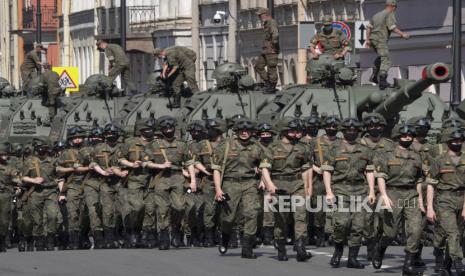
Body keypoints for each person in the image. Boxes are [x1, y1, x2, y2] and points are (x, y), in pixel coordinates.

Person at [322, 117, 376, 269]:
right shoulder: (334, 149)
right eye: (348, 130)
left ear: (358, 132)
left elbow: (370, 171)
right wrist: (329, 192)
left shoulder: (365, 150)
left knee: (358, 226)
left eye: (354, 130)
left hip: (360, 190)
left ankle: (353, 258)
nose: (351, 133)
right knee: (342, 223)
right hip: (340, 189)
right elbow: (327, 171)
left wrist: (371, 191)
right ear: (343, 131)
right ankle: (338, 251)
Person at [372, 123, 424, 276]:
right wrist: (384, 196)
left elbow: (419, 180)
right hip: (392, 193)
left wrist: (420, 199)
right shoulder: (386, 154)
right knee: (391, 233)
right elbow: (381, 177)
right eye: (404, 135)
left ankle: (407, 265)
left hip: (411, 195)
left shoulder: (416, 156)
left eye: (410, 135)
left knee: (416, 230)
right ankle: (380, 248)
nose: (407, 137)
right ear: (397, 136)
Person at [213, 118, 267, 259]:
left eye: (247, 131)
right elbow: (217, 169)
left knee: (252, 213)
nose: (244, 133)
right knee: (228, 218)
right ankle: (225, 237)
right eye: (241, 131)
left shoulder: (257, 147)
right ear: (236, 131)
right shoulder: (225, 146)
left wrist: (263, 180)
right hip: (230, 184)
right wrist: (218, 189)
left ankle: (247, 248)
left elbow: (265, 166)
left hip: (249, 183)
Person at [261, 117, 313, 262]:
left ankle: (301, 248)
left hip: (297, 185)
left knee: (301, 216)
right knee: (281, 219)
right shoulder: (273, 147)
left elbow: (306, 168)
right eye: (293, 130)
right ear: (284, 130)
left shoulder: (303, 147)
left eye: (297, 130)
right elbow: (264, 168)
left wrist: (308, 187)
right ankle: (281, 247)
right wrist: (270, 186)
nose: (296, 133)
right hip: (279, 186)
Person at [144, 116, 196, 250]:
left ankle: (176, 229)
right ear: (161, 130)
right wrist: (160, 166)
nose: (168, 130)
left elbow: (189, 162)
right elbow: (145, 162)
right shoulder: (154, 144)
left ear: (174, 128)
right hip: (161, 179)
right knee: (162, 209)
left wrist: (193, 180)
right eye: (165, 128)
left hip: (178, 178)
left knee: (179, 207)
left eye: (170, 127)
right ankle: (164, 236)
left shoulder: (182, 144)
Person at [427, 127, 465, 275]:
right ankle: (458, 262)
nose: (457, 142)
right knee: (452, 232)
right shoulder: (439, 161)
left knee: (457, 235)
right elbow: (430, 184)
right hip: (444, 199)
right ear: (448, 142)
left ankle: (446, 265)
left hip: (462, 199)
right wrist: (429, 207)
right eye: (454, 140)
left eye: (460, 140)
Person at [21, 138, 64, 251]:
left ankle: (50, 238)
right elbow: (23, 177)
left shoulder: (53, 161)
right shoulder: (29, 161)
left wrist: (62, 193)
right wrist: (33, 180)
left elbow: (59, 178)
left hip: (51, 191)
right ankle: (39, 239)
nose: (40, 149)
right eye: (38, 147)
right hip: (36, 192)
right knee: (37, 219)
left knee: (53, 216)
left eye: (43, 147)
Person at [366, 0, 410, 89]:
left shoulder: (376, 15)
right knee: (385, 59)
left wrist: (367, 40)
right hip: (381, 39)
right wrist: (402, 34)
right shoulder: (389, 14)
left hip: (373, 39)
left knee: (381, 57)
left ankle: (374, 75)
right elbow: (392, 27)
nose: (395, 10)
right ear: (393, 7)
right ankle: (383, 81)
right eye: (395, 8)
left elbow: (368, 28)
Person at [255, 8, 280, 94]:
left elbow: (275, 34)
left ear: (265, 14)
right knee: (258, 66)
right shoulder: (266, 23)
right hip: (265, 50)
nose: (259, 17)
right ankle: (267, 82)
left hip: (271, 50)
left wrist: (273, 46)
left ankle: (272, 85)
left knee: (271, 68)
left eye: (260, 15)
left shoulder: (271, 22)